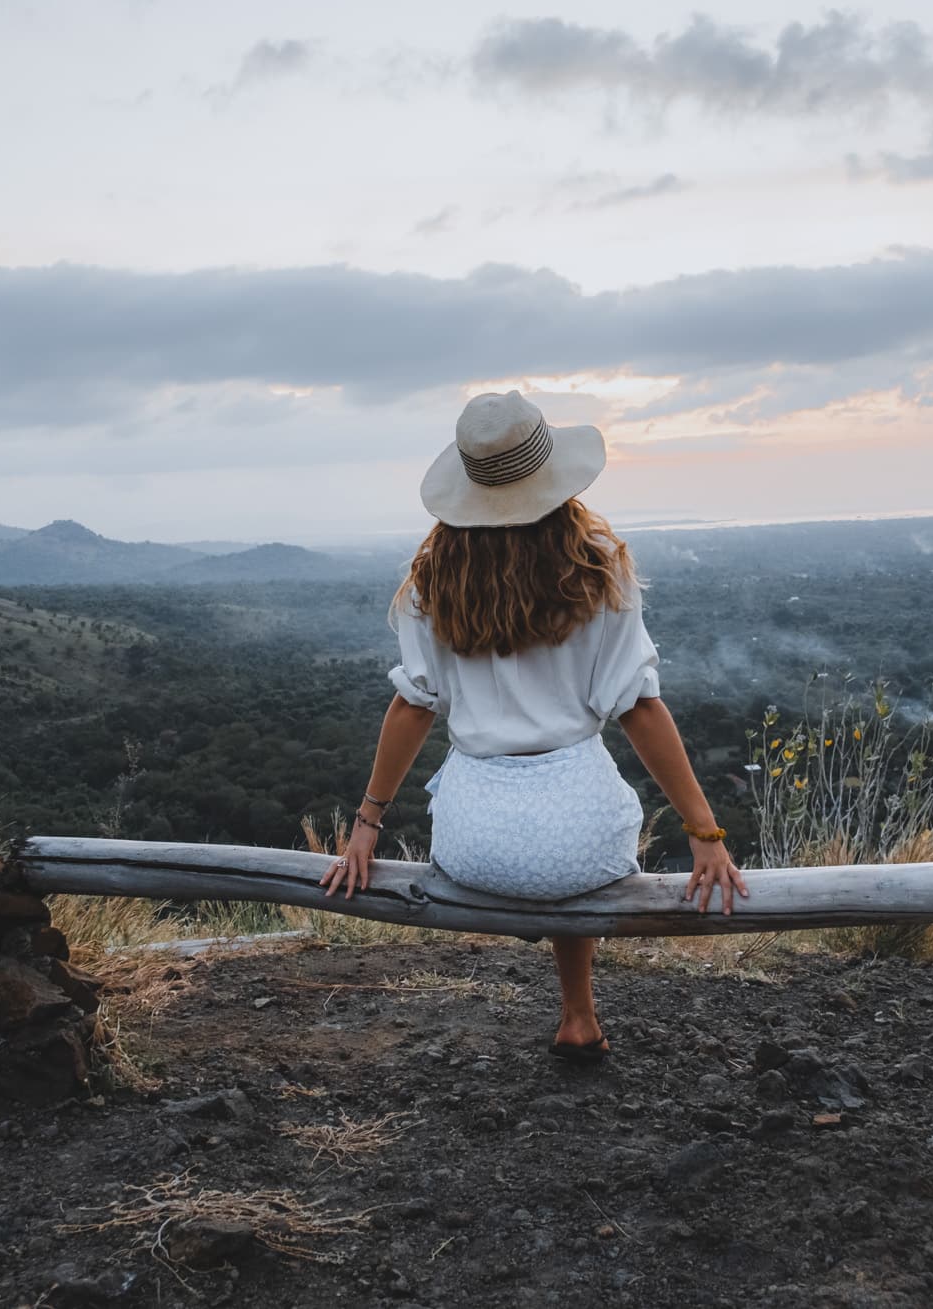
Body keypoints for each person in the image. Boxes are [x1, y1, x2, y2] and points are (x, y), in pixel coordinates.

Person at [320, 390, 748, 1063]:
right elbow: (639, 706)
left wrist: (367, 822)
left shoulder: (435, 576)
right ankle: (579, 1013)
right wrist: (706, 833)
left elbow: (413, 706)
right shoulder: (597, 562)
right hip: (581, 839)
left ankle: (576, 1011)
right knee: (569, 833)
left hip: (474, 843)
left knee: (539, 837)